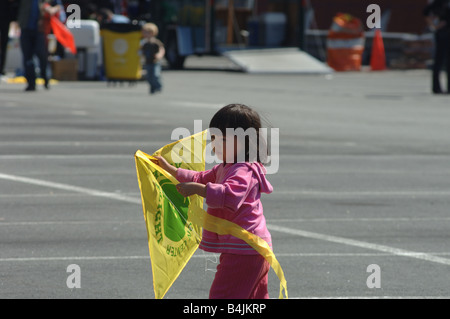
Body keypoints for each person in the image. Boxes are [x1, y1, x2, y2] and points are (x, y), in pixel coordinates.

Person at [153, 104, 273, 299]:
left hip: (245, 248)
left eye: (224, 139)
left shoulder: (243, 169)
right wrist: (171, 170)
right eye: (214, 138)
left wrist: (197, 190)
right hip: (247, 248)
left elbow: (231, 196)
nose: (216, 144)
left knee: (222, 296)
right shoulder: (226, 167)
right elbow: (200, 177)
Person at [17, 0, 53, 91]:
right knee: (27, 57)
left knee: (42, 55)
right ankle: (31, 82)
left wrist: (50, 9)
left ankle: (45, 78)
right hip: (25, 27)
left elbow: (57, 6)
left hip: (40, 29)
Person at [424, 0, 450, 94]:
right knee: (439, 61)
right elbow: (426, 12)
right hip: (442, 34)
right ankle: (436, 88)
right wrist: (434, 26)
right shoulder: (440, 2)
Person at [140, 23, 165, 94]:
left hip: (155, 61)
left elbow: (161, 49)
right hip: (148, 61)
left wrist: (159, 55)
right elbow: (142, 51)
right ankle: (152, 87)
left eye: (146, 32)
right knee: (148, 76)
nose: (144, 34)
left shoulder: (155, 42)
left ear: (152, 33)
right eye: (144, 32)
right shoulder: (144, 43)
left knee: (155, 75)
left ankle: (158, 86)